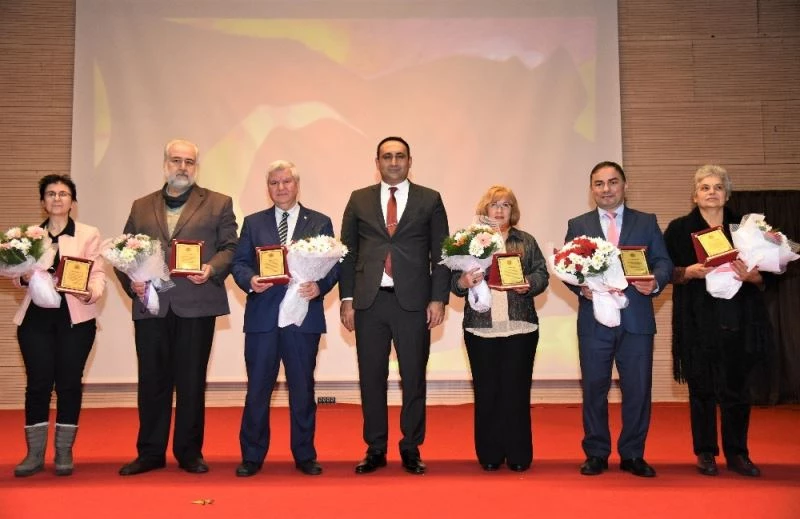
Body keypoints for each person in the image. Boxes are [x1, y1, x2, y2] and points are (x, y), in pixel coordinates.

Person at [115, 139, 238, 475]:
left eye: (189, 162)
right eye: (176, 160)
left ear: (196, 167)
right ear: (165, 164)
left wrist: (211, 268)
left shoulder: (219, 202)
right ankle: (150, 453)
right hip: (152, 305)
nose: (182, 167)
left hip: (196, 305)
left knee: (191, 382)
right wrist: (132, 281)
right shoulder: (141, 206)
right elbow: (122, 252)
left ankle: (189, 452)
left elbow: (231, 247)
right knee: (151, 382)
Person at [339, 136, 449, 475]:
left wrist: (438, 298)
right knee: (371, 377)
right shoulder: (359, 198)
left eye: (400, 156)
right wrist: (347, 299)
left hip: (413, 303)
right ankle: (375, 448)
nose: (394, 162)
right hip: (369, 302)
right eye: (387, 156)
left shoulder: (429, 199)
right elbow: (347, 253)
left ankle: (411, 447)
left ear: (410, 161)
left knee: (413, 377)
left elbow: (441, 254)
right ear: (377, 163)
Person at [564, 161, 672, 478]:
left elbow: (663, 262)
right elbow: (567, 266)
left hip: (636, 319)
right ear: (591, 189)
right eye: (599, 184)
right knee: (594, 388)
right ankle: (596, 453)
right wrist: (579, 287)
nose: (606, 189)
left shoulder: (646, 221)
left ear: (625, 186)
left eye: (612, 182)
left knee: (637, 389)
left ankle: (633, 454)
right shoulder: (578, 224)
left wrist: (656, 281)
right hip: (594, 320)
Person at [231, 160, 338, 477]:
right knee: (257, 390)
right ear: (268, 187)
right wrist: (250, 279)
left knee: (303, 390)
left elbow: (335, 265)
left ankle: (305, 455)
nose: (281, 187)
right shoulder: (253, 222)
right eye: (274, 182)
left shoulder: (319, 221)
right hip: (263, 318)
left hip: (303, 318)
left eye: (286, 181)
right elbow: (239, 263)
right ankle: (252, 456)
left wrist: (320, 287)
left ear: (297, 184)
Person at [664, 165, 771, 477]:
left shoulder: (747, 228)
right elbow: (663, 269)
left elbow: (777, 269)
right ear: (694, 195)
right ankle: (706, 452)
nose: (712, 192)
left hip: (739, 320)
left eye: (718, 187)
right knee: (702, 390)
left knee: (737, 390)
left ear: (727, 194)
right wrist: (686, 272)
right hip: (697, 321)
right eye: (705, 187)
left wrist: (755, 277)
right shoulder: (678, 229)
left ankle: (738, 453)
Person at [12, 174, 106, 477]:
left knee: (68, 383)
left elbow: (98, 274)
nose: (57, 198)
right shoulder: (28, 235)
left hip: (75, 318)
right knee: (38, 384)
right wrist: (22, 277)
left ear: (72, 201)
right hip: (35, 319)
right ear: (43, 201)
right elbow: (15, 274)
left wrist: (90, 292)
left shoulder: (88, 234)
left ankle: (64, 452)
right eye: (50, 194)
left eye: (63, 193)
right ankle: (34, 454)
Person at [450, 186, 549, 472]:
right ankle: (490, 454)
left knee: (516, 393)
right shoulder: (468, 241)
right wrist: (463, 282)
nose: (499, 210)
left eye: (506, 205)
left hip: (521, 327)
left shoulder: (525, 240)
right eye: (494, 204)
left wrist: (529, 283)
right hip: (481, 329)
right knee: (487, 393)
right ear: (485, 209)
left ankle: (518, 454)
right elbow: (452, 282)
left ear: (512, 211)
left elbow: (542, 273)